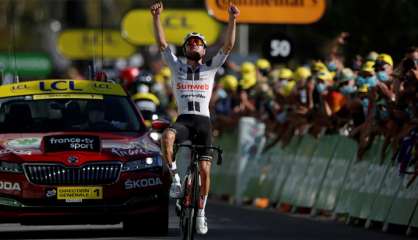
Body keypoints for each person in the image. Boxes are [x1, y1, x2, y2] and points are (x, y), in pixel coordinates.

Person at [150, 0, 239, 235]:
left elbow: (228, 46)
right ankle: (177, 180)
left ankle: (201, 214)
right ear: (186, 48)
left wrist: (232, 19)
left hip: (203, 121)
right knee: (167, 137)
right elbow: (161, 43)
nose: (195, 45)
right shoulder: (176, 65)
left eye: (199, 43)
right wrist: (156, 17)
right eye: (191, 43)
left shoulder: (210, 67)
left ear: (204, 49)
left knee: (205, 170)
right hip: (184, 121)